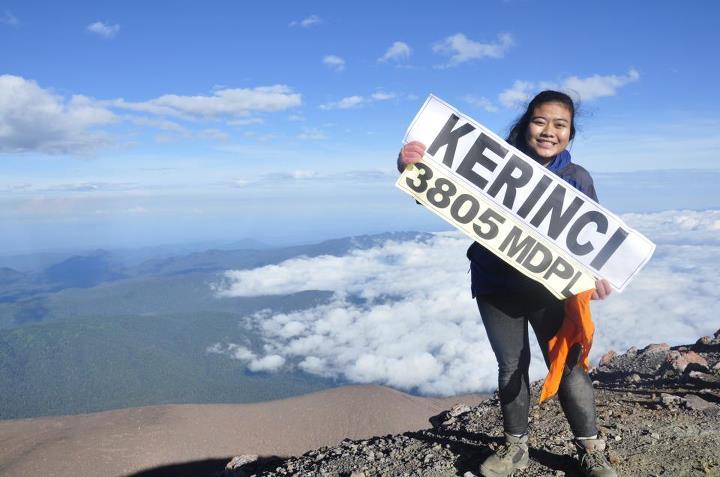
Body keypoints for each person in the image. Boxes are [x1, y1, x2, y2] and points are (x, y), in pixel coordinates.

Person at [397, 91, 617, 477]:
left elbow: (594, 241)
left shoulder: (576, 178)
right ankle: (516, 447)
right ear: (526, 124)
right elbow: (441, 194)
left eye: (560, 124)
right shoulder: (493, 164)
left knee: (568, 366)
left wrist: (598, 274)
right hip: (496, 284)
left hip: (551, 290)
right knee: (511, 366)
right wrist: (411, 168)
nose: (549, 131)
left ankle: (590, 449)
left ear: (570, 133)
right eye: (540, 121)